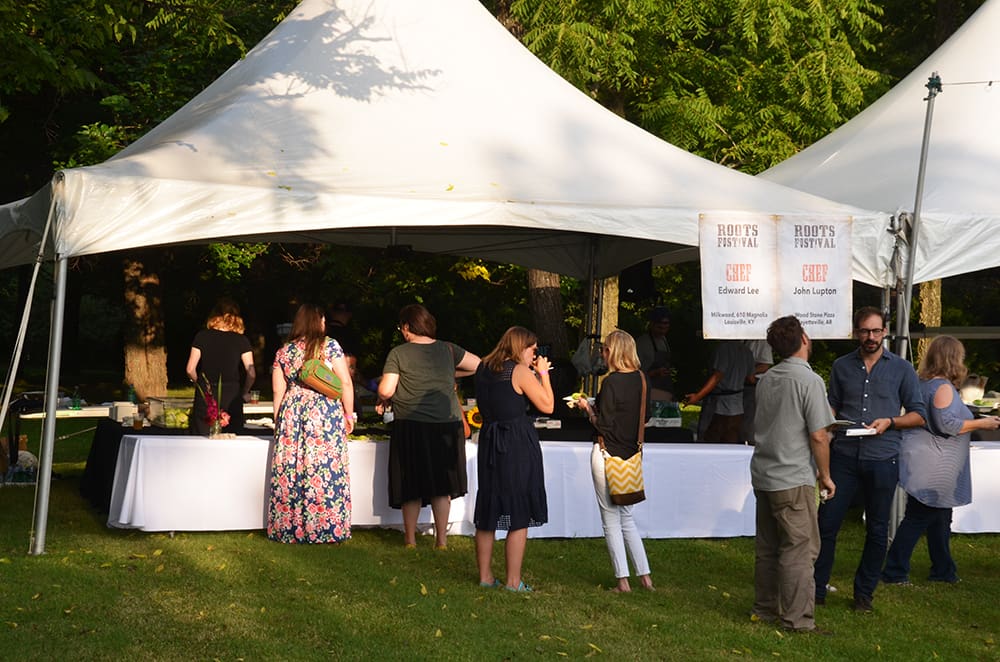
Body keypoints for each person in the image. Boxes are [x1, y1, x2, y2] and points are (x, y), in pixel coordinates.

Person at [814, 306, 926, 612]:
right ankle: (816, 589)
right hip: (844, 456)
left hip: (883, 456)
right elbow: (833, 405)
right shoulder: (841, 366)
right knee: (827, 523)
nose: (871, 337)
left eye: (876, 331)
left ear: (885, 332)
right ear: (855, 332)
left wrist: (890, 421)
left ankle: (864, 593)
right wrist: (823, 423)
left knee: (877, 529)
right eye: (865, 331)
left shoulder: (901, 368)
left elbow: (919, 415)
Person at [882, 336, 1000, 585]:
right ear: (953, 358)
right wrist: (983, 422)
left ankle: (944, 570)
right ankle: (894, 571)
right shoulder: (943, 388)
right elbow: (946, 424)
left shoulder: (924, 383)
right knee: (918, 517)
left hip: (932, 462)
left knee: (940, 519)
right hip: (934, 465)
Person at [750, 316, 835, 633]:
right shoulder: (809, 381)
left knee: (769, 547)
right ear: (804, 340)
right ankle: (798, 620)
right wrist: (825, 475)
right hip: (793, 476)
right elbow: (818, 435)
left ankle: (766, 609)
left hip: (765, 473)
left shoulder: (767, 378)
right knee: (799, 550)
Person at [377, 304, 481, 549]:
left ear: (406, 327)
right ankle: (441, 541)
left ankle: (410, 539)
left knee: (411, 483)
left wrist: (384, 395)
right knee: (441, 485)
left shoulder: (399, 353)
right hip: (447, 424)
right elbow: (478, 365)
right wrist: (448, 373)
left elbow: (386, 389)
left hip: (411, 424)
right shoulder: (448, 349)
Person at [474, 326, 553, 592]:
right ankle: (513, 581)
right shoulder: (518, 371)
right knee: (519, 507)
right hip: (515, 441)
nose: (535, 353)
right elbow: (548, 405)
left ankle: (485, 577)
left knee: (489, 506)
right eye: (532, 348)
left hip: (489, 438)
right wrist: (543, 374)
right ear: (521, 346)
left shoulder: (484, 368)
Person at [268, 303, 355, 544]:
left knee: (292, 469)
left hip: (292, 412)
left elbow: (278, 390)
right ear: (319, 322)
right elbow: (345, 382)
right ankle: (326, 528)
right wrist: (349, 414)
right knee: (324, 468)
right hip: (324, 413)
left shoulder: (284, 352)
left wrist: (279, 421)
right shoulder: (330, 346)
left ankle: (289, 528)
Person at [576, 330, 654, 593]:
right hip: (631, 454)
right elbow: (645, 416)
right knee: (627, 516)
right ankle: (645, 578)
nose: (602, 354)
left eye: (605, 349)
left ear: (614, 352)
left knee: (610, 517)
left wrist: (588, 410)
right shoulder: (643, 380)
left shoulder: (610, 383)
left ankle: (623, 581)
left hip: (606, 452)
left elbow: (604, 425)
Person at [185, 298, 256, 435]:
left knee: (203, 436)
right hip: (232, 394)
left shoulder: (202, 336)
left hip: (206, 394)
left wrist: (200, 384)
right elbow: (251, 372)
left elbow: (190, 369)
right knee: (231, 438)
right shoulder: (241, 340)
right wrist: (244, 392)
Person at [684, 340, 755, 443]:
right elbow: (751, 378)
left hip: (719, 405)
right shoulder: (747, 351)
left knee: (712, 439)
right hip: (737, 406)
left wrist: (698, 396)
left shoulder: (723, 348)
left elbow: (717, 376)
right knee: (731, 440)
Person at [635, 307, 674, 401]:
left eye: (666, 328)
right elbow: (635, 373)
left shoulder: (664, 340)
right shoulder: (642, 343)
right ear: (652, 324)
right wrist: (655, 373)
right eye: (660, 328)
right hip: (648, 391)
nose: (663, 331)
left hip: (664, 389)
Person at [741, 339, 774, 444]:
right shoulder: (741, 340)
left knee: (751, 422)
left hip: (753, 385)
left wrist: (746, 372)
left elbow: (765, 365)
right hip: (741, 385)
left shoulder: (761, 341)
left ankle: (752, 445)